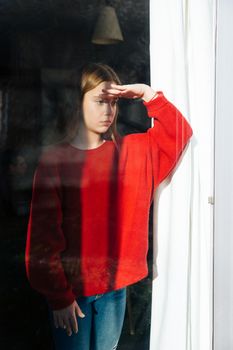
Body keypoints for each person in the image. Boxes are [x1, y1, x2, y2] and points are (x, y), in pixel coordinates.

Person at [25, 63, 193, 350]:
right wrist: (59, 296)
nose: (108, 111)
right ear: (78, 104)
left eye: (113, 102)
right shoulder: (56, 162)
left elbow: (179, 134)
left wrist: (148, 95)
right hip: (71, 292)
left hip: (115, 289)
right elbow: (42, 240)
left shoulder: (131, 153)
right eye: (99, 100)